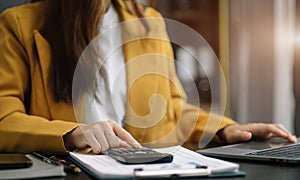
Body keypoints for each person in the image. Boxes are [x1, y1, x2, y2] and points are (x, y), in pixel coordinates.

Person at [0, 0, 296, 155]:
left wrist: (226, 130)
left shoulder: (149, 22)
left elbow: (172, 110)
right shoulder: (19, 24)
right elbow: (4, 119)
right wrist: (72, 134)